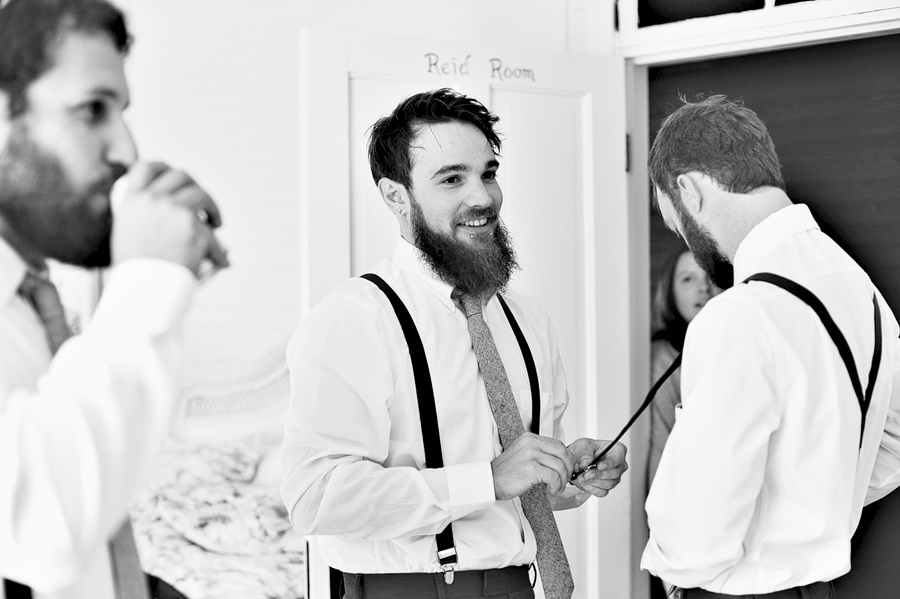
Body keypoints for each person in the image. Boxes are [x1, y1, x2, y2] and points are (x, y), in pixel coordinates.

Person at [281, 88, 628, 599]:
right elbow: (317, 499)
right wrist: (487, 477)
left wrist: (567, 474)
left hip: (517, 586)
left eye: (488, 173)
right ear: (395, 196)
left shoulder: (527, 319)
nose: (483, 198)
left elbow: (515, 493)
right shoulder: (353, 319)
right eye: (452, 179)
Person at [0, 1, 228, 598]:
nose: (126, 150)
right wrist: (150, 277)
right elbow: (43, 524)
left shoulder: (31, 303)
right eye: (92, 110)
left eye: (122, 113)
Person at [640, 95, 900, 598]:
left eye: (675, 221)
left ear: (689, 190)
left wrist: (677, 570)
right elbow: (894, 439)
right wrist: (806, 515)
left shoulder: (737, 315)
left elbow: (698, 530)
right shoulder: (858, 288)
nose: (687, 241)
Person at [647, 249, 718, 488]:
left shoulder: (734, 350)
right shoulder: (662, 359)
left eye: (711, 276)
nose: (704, 288)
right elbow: (663, 446)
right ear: (670, 293)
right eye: (688, 278)